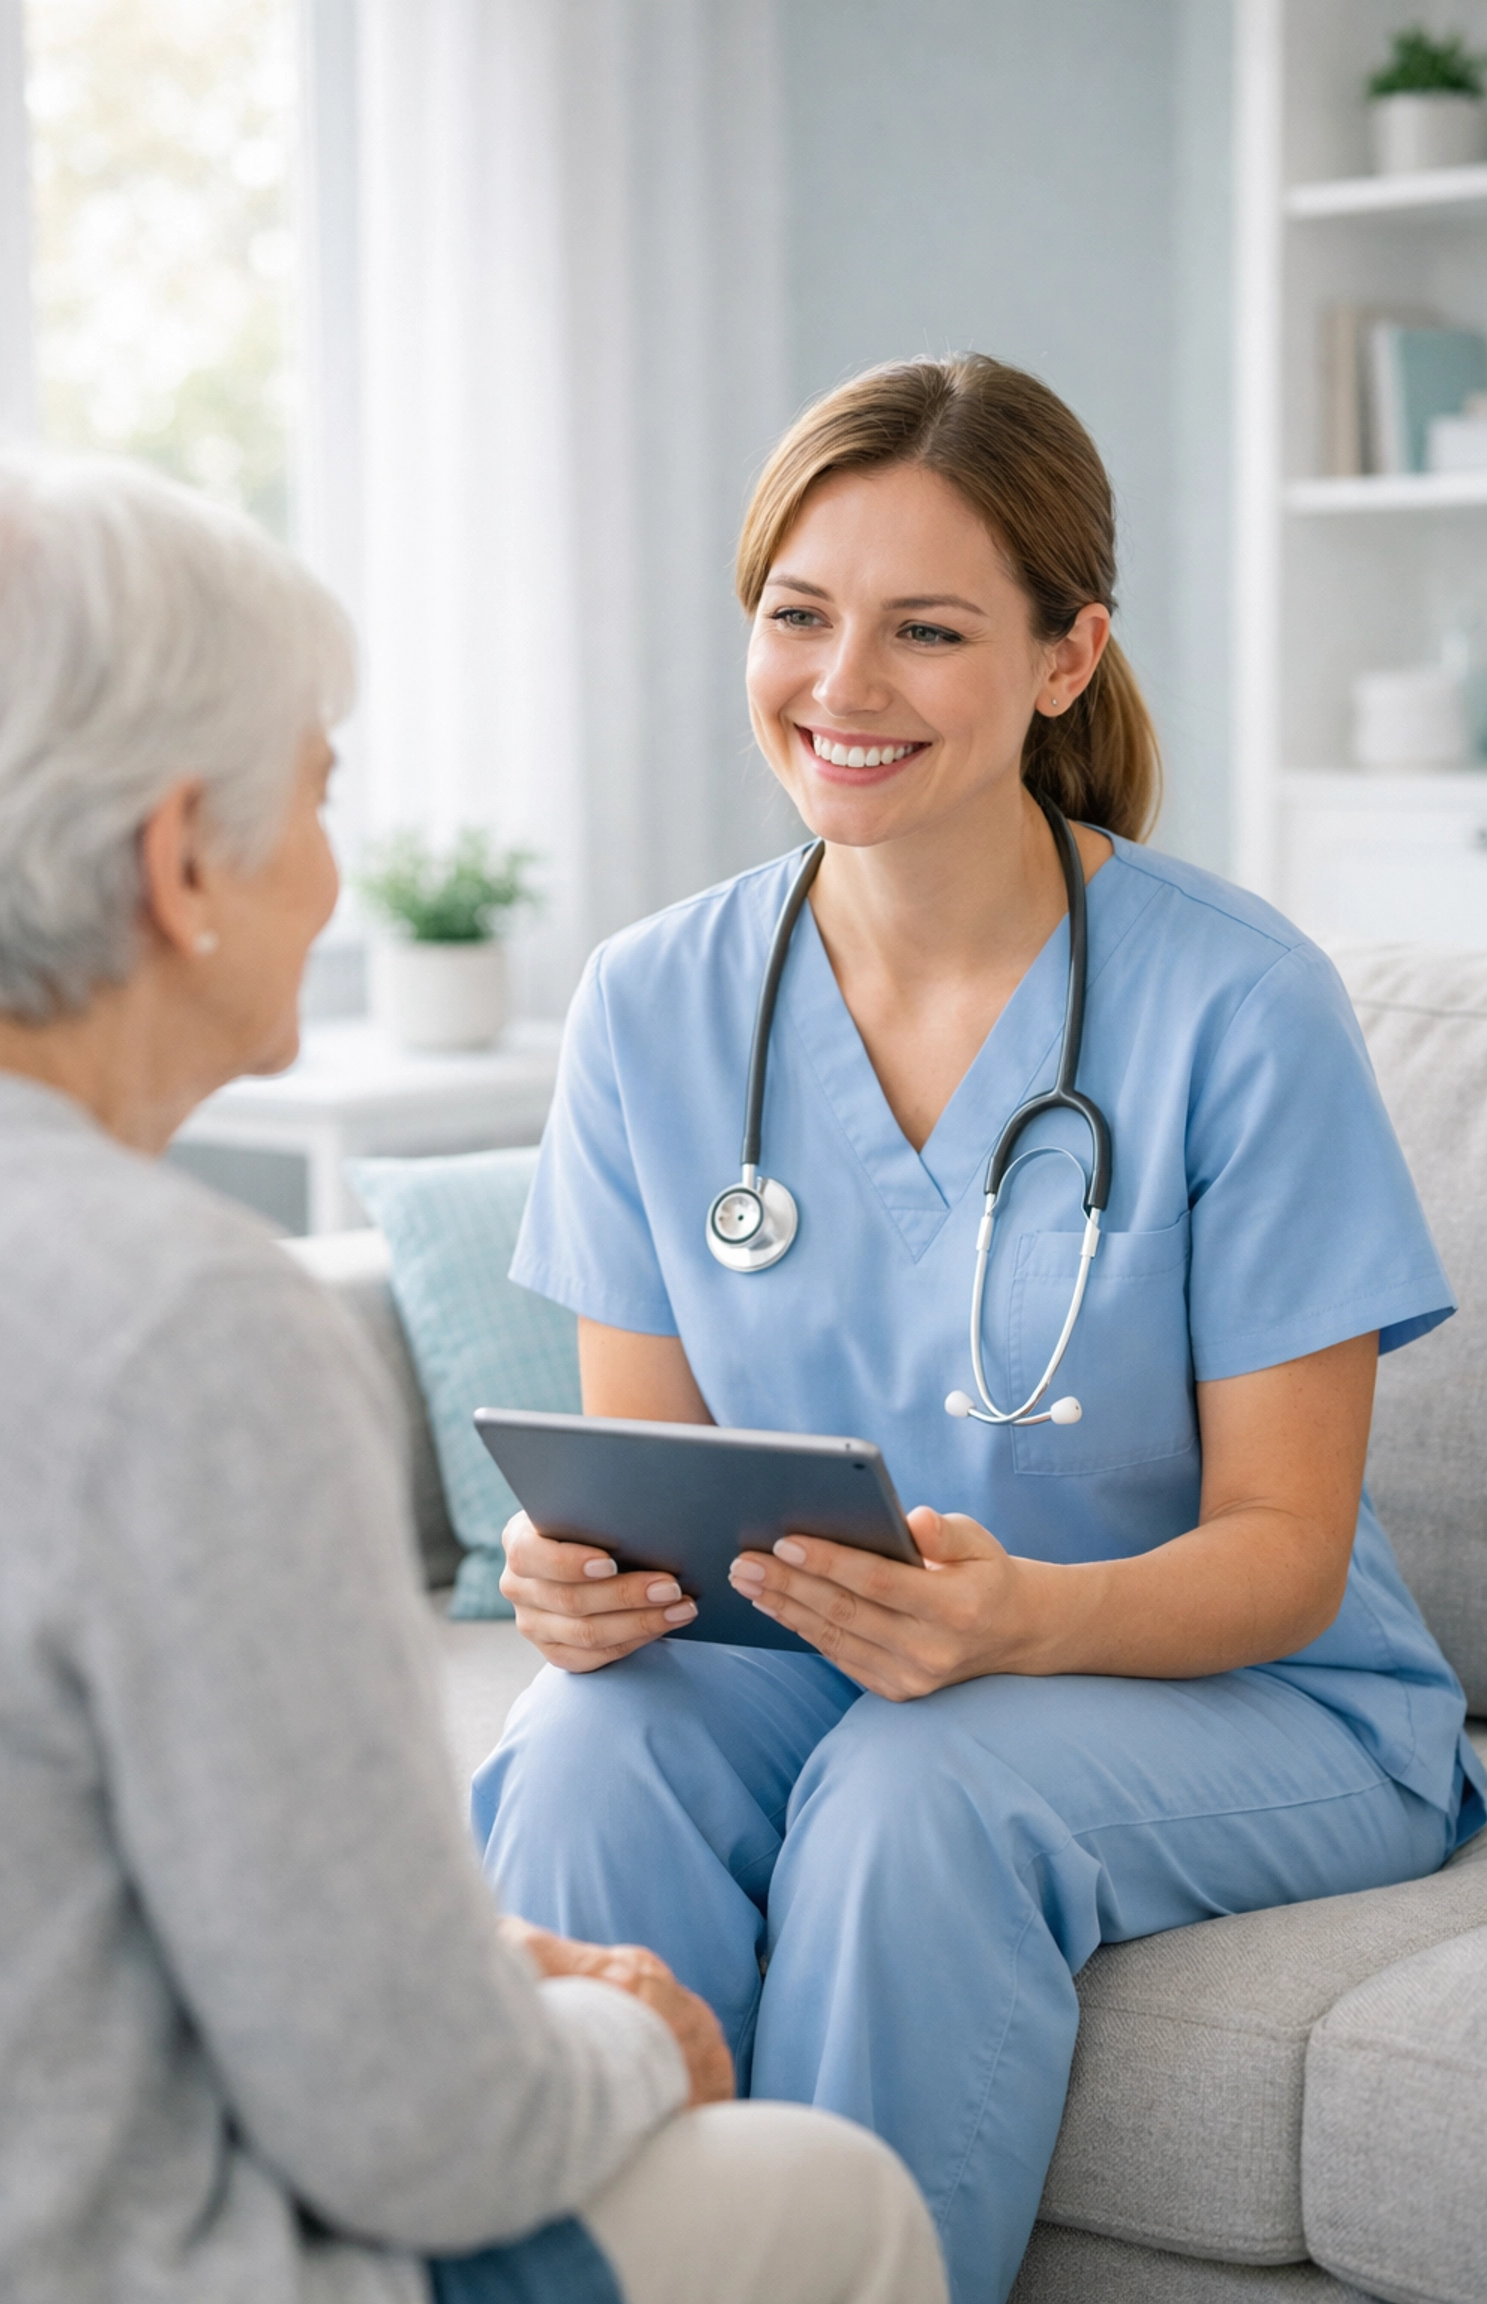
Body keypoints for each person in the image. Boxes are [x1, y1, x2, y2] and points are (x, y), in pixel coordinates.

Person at [471, 353, 1487, 2304]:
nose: (840, 687)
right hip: (825, 1660)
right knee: (593, 1747)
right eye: (798, 614)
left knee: (925, 1793)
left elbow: (1283, 1556)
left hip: (1251, 1687)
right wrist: (574, 1583)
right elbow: (654, 1503)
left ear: (1062, 656)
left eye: (927, 630)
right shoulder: (652, 1004)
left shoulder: (1232, 1005)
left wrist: (1016, 1620)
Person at [0, 452, 947, 2304]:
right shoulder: (186, 1328)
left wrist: (489, 1976)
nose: (337, 875)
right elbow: (420, 2128)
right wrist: (646, 2029)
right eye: (320, 800)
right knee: (821, 2192)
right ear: (183, 862)